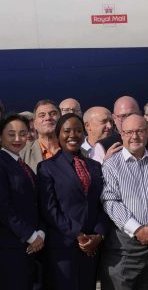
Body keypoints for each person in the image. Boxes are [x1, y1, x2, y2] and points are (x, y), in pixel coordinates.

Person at [37, 113, 108, 290]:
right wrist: (77, 233)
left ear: (84, 134)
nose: (72, 135)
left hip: (91, 246)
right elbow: (49, 209)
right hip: (63, 246)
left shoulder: (95, 166)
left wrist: (98, 234)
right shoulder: (47, 167)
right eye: (67, 131)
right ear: (58, 135)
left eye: (78, 131)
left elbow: (103, 203)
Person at [101, 115, 148, 290]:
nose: (135, 136)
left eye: (140, 131)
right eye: (129, 132)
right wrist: (138, 230)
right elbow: (110, 201)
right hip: (125, 249)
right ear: (121, 135)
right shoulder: (111, 165)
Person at [0, 114, 44, 290]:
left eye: (23, 133)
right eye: (11, 134)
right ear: (1, 136)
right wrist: (30, 235)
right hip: (9, 247)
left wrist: (40, 233)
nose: (17, 139)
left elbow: (35, 203)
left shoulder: (21, 164)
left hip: (28, 247)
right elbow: (3, 207)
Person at [20, 100, 61, 172]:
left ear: (61, 119)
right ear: (34, 124)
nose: (48, 118)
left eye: (53, 114)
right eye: (42, 115)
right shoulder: (21, 155)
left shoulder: (76, 151)